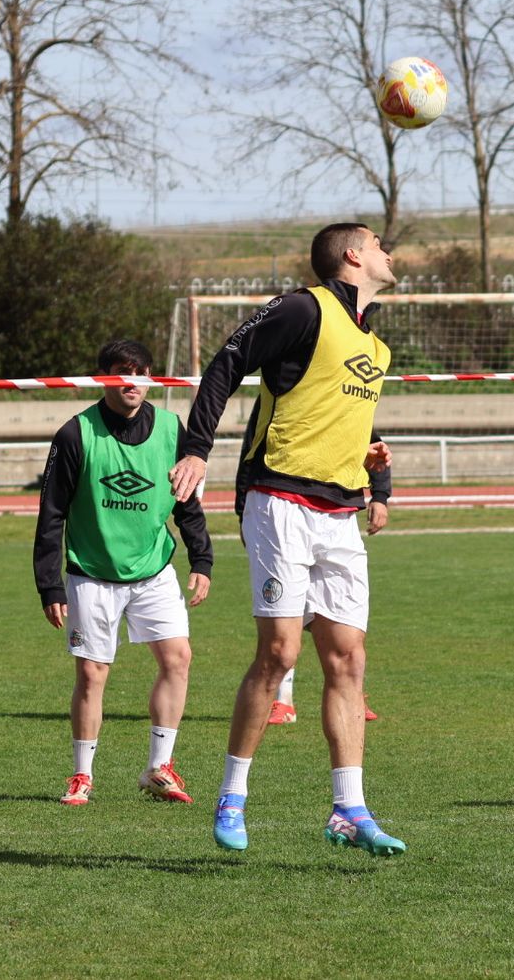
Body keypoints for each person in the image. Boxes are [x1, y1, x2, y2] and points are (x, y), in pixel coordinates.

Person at [169, 222, 405, 856]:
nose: (390, 252)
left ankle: (348, 810)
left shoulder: (375, 348)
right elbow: (225, 364)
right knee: (279, 654)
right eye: (380, 243)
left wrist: (376, 479)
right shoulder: (305, 308)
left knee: (348, 659)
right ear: (354, 256)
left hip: (339, 514)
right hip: (279, 499)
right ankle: (232, 796)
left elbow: (351, 421)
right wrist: (196, 450)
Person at [34, 339, 212, 807]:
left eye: (140, 372)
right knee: (92, 674)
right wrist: (49, 582)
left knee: (178, 659)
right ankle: (82, 774)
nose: (131, 381)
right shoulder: (76, 434)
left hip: (154, 571)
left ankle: (158, 768)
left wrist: (202, 559)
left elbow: (187, 501)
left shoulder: (173, 429)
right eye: (121, 372)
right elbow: (51, 514)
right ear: (104, 377)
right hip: (92, 573)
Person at [268, 487, 388, 726]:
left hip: (337, 515)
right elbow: (251, 455)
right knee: (285, 624)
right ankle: (284, 701)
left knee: (344, 621)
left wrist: (380, 496)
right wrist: (243, 510)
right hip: (286, 515)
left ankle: (351, 692)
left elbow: (374, 449)